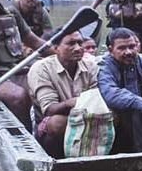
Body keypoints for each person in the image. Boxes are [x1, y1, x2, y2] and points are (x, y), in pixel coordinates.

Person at [27, 30, 98, 158]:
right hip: (52, 126)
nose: (77, 48)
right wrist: (72, 103)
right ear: (56, 48)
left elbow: (97, 97)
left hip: (86, 117)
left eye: (80, 43)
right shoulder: (41, 68)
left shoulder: (91, 66)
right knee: (57, 123)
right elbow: (49, 109)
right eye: (71, 44)